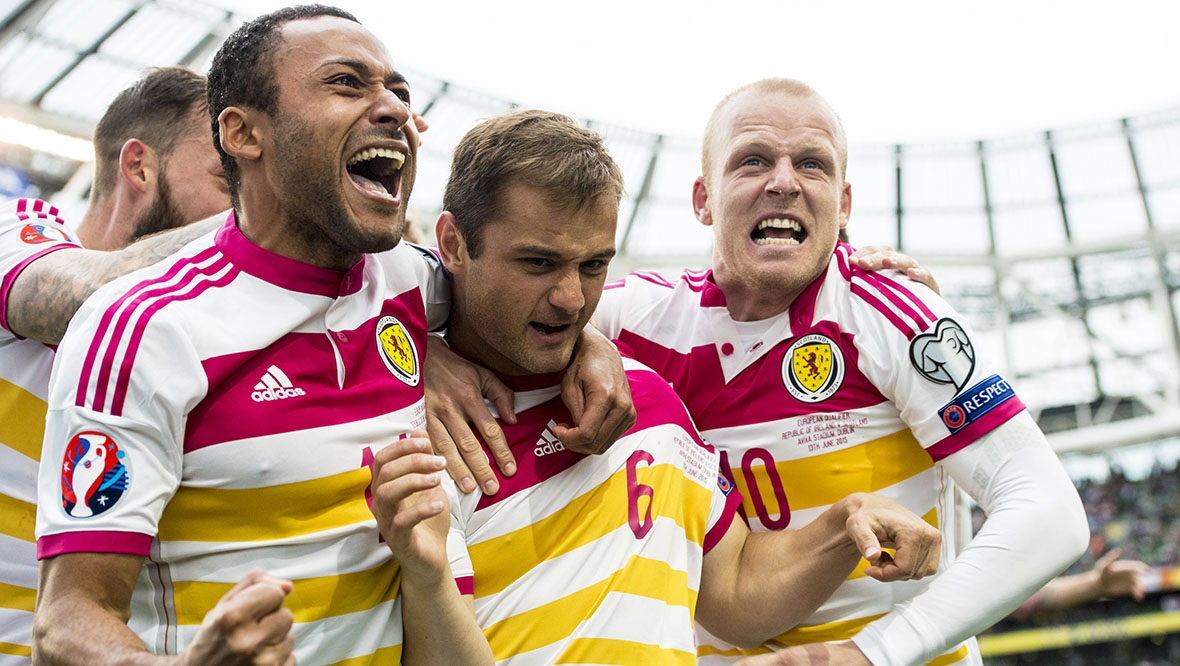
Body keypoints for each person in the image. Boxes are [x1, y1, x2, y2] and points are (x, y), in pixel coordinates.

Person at [368, 108, 944, 665]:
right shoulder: (405, 433)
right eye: (538, 264)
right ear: (452, 245)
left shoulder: (646, 395)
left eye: (594, 265)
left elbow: (736, 596)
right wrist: (426, 352)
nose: (572, 299)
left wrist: (845, 521)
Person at [33, 6, 495, 665]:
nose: (393, 107)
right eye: (346, 83)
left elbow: (536, 303)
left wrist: (586, 350)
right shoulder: (145, 329)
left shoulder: (413, 283)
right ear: (245, 133)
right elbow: (67, 621)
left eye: (398, 90)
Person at [588, 79, 1089, 666]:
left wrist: (870, 654)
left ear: (843, 204)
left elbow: (1048, 511)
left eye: (812, 164)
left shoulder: (893, 312)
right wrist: (556, 346)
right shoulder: (634, 319)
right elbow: (480, 298)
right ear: (703, 199)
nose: (783, 181)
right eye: (752, 161)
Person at [0, 66, 228, 666]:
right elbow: (85, 295)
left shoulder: (208, 320)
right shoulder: (17, 233)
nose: (250, 194)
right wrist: (280, 208)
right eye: (232, 179)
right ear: (139, 167)